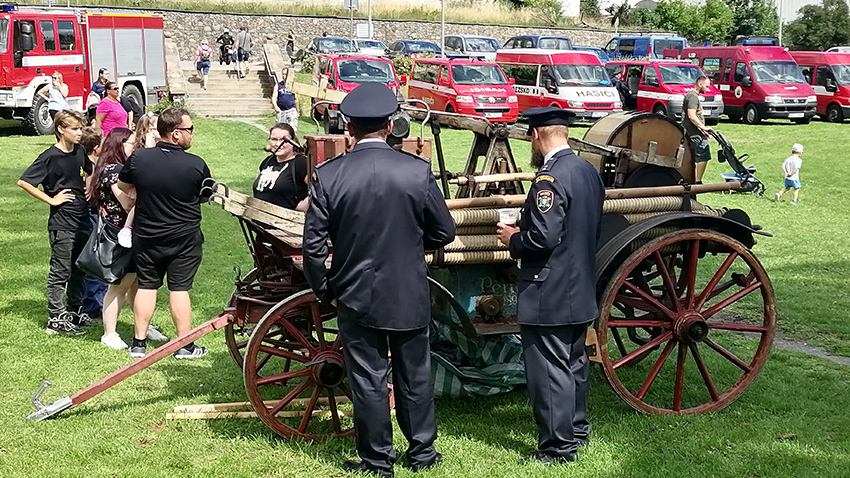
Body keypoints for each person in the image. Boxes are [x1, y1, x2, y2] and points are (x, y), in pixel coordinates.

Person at [303, 83, 456, 478]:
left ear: (348, 128)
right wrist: (410, 245)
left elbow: (313, 247)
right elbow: (444, 232)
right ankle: (422, 453)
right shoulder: (417, 171)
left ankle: (377, 461)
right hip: (407, 290)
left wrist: (326, 291)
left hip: (355, 294)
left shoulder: (329, 175)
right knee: (414, 375)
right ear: (390, 126)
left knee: (369, 380)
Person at [496, 107, 604, 465]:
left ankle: (558, 449)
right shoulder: (587, 171)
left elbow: (542, 238)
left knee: (547, 370)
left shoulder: (549, 180)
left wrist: (513, 239)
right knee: (574, 363)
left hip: (549, 290)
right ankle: (576, 432)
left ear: (537, 135)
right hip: (579, 285)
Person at [117, 108, 211, 359]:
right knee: (179, 288)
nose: (192, 134)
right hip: (184, 237)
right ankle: (184, 346)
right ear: (176, 133)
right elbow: (204, 196)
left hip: (147, 235)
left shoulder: (139, 158)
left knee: (147, 286)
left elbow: (123, 185)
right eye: (190, 129)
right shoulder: (196, 164)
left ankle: (138, 344)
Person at [17, 110, 94, 336]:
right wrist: (52, 199)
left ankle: (74, 309)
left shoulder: (79, 151)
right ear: (61, 129)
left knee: (80, 266)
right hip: (62, 222)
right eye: (75, 129)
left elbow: (88, 170)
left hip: (82, 218)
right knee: (61, 270)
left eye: (81, 128)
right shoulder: (50, 156)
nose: (80, 133)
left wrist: (88, 185)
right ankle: (56, 318)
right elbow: (24, 181)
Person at [79, 127, 108, 323]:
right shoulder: (91, 167)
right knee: (96, 257)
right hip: (91, 216)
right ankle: (92, 304)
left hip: (89, 215)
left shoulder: (83, 163)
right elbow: (89, 192)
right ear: (96, 148)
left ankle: (93, 302)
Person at [253, 123, 308, 210]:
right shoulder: (267, 161)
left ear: (292, 141)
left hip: (284, 221)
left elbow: (319, 191)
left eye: (284, 140)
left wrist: (302, 207)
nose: (278, 144)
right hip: (258, 220)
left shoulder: (301, 163)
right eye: (274, 139)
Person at [683, 76, 713, 183]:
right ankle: (697, 181)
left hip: (696, 132)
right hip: (694, 134)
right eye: (706, 86)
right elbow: (691, 116)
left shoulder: (692, 96)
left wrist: (703, 131)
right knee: (703, 155)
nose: (707, 88)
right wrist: (704, 127)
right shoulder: (692, 97)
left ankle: (694, 179)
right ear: (700, 84)